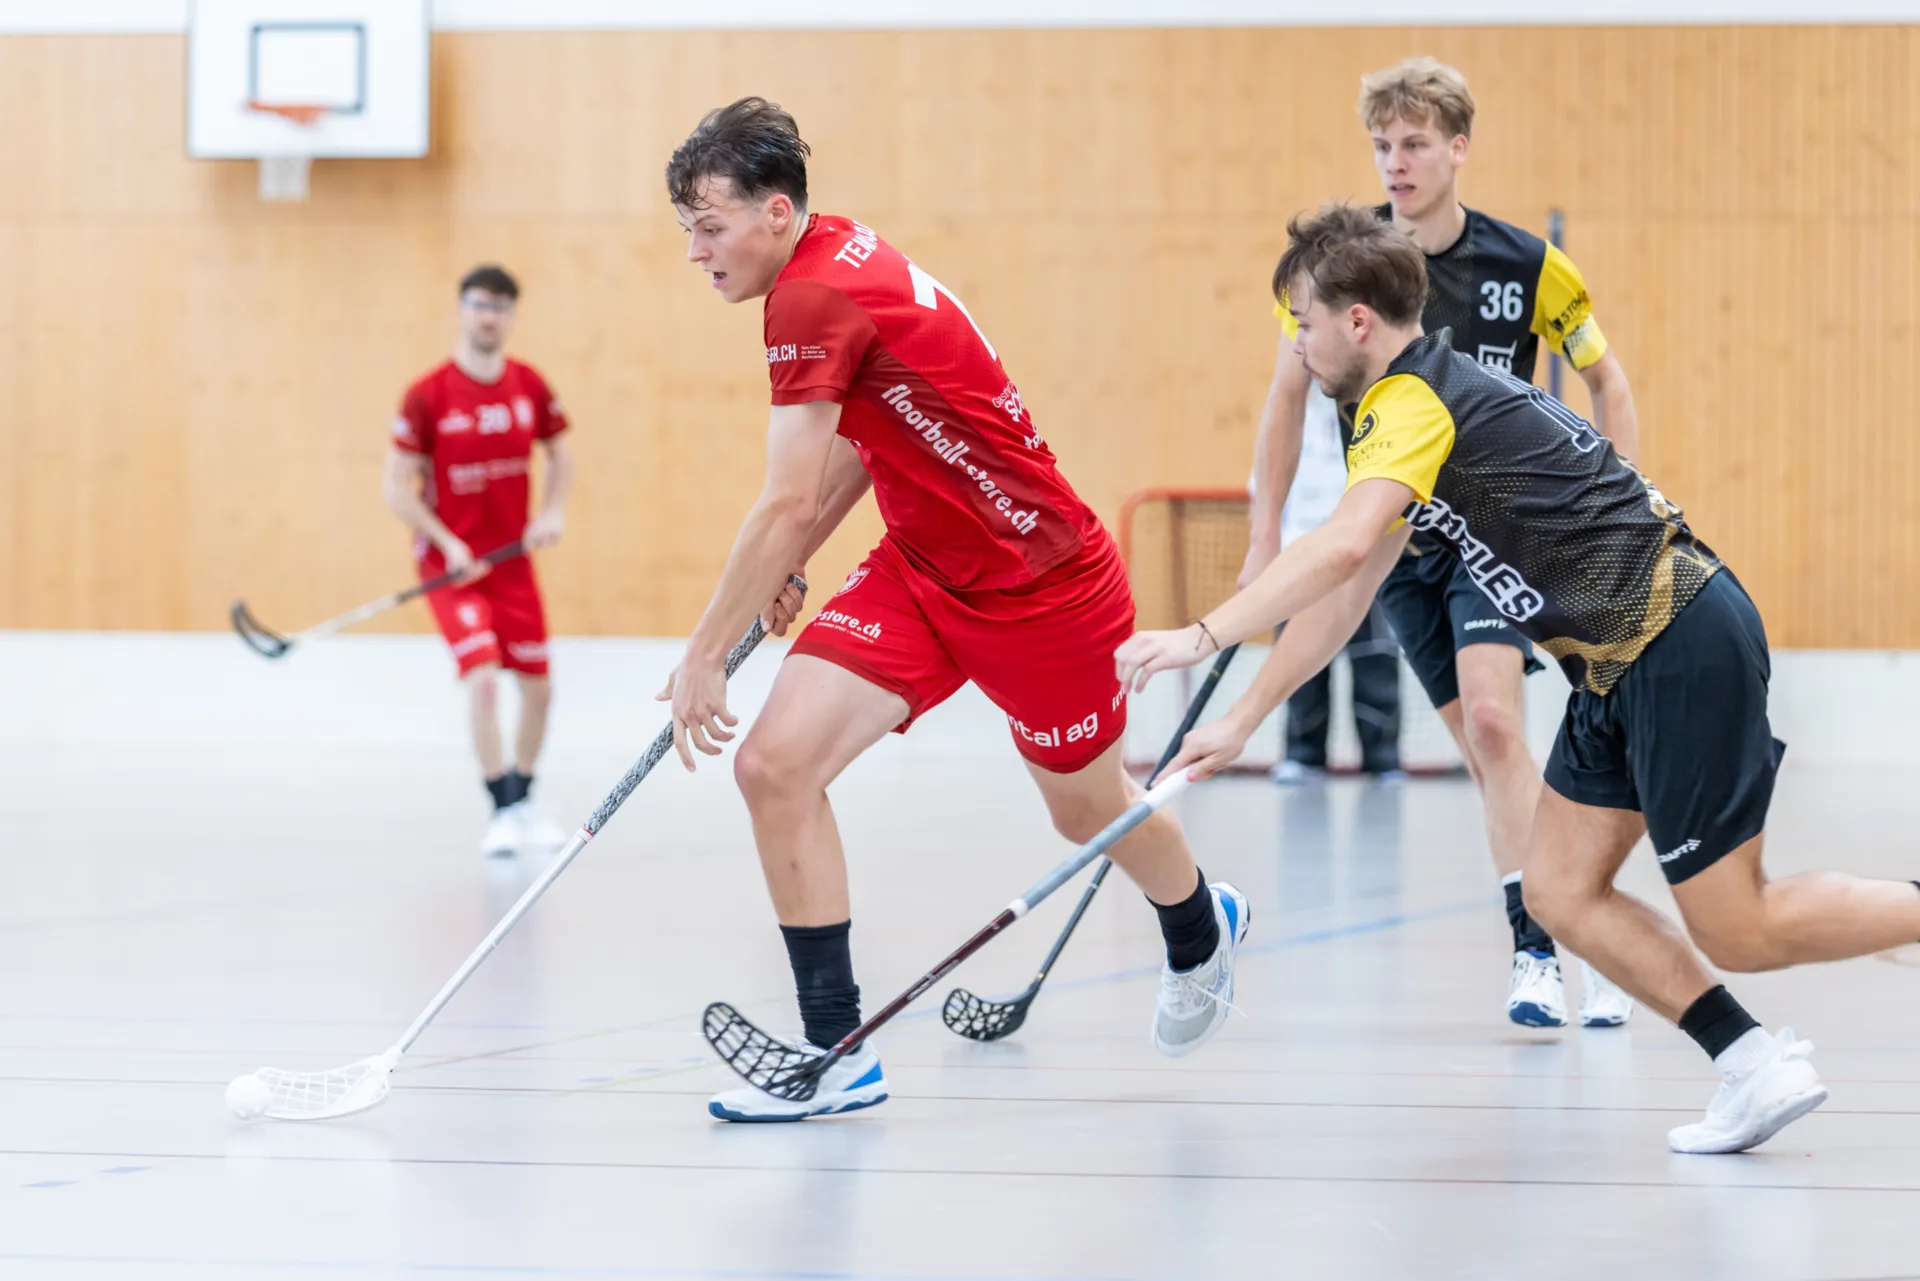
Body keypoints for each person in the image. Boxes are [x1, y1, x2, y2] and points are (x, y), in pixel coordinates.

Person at [1120, 202, 1920, 1155]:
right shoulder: (1420, 402)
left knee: (1738, 922)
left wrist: (1202, 634)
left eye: (1305, 319)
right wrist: (1247, 714)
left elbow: (1335, 550)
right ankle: (1751, 1063)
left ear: (1358, 321)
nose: (1297, 344)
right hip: (1616, 669)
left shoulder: (1412, 402)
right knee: (1558, 888)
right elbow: (1358, 580)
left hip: (1676, 635)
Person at [658, 98, 1248, 1123]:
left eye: (710, 227)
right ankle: (834, 1050)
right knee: (774, 766)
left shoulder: (811, 298)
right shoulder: (831, 256)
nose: (696, 253)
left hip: (1045, 585)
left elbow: (789, 492)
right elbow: (866, 439)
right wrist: (788, 560)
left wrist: (708, 649)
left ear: (778, 211)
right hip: (926, 566)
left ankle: (1200, 921)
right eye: (687, 232)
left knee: (1084, 808)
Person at [1242, 57, 1637, 1028]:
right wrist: (1263, 539)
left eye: (1415, 143)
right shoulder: (1343, 276)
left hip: (1496, 533)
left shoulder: (1529, 267)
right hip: (1398, 547)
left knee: (1499, 724)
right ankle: (1586, 913)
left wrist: (1617, 513)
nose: (1396, 162)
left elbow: (1609, 385)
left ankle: (1546, 947)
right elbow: (1285, 400)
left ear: (1458, 147)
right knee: (1481, 747)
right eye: (1382, 144)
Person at [384, 265, 574, 859]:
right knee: (485, 678)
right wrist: (448, 542)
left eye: (500, 306)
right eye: (478, 304)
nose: (488, 315)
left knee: (539, 690)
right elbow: (397, 488)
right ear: (462, 310)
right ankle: (501, 808)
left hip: (512, 565)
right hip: (453, 570)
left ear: (511, 315)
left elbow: (561, 455)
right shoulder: (428, 394)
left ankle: (523, 796)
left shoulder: (529, 386)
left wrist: (551, 513)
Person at [1265, 390, 1404, 783]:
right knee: (1299, 665)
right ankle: (1302, 756)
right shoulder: (1286, 421)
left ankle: (1383, 759)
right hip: (1298, 562)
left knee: (1375, 660)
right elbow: (1266, 494)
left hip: (1363, 560)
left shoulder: (1378, 415)